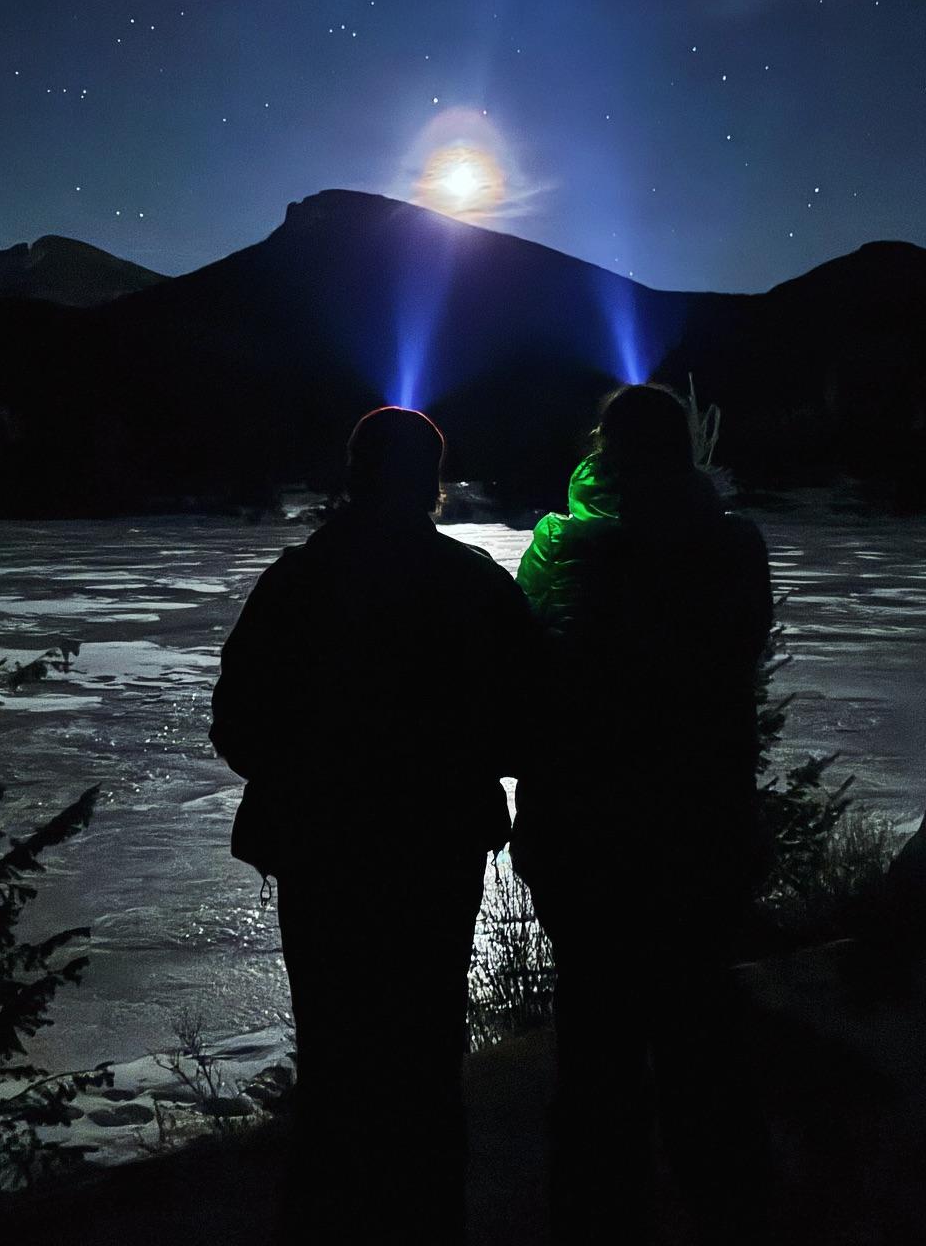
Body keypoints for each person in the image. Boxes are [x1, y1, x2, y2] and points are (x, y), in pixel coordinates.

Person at [210, 406, 535, 1246]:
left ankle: (325, 1216)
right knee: (428, 1050)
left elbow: (237, 720)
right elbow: (532, 715)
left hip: (323, 850)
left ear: (354, 475)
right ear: (427, 480)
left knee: (333, 1045)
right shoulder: (473, 583)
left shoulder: (296, 581)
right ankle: (427, 1218)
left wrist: (309, 775)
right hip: (437, 848)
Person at [510, 382, 774, 1243]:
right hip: (700, 831)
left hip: (586, 839)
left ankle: (596, 1215)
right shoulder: (733, 549)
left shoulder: (562, 549)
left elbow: (526, 677)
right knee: (702, 1034)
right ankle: (725, 1209)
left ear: (603, 447)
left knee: (596, 1048)